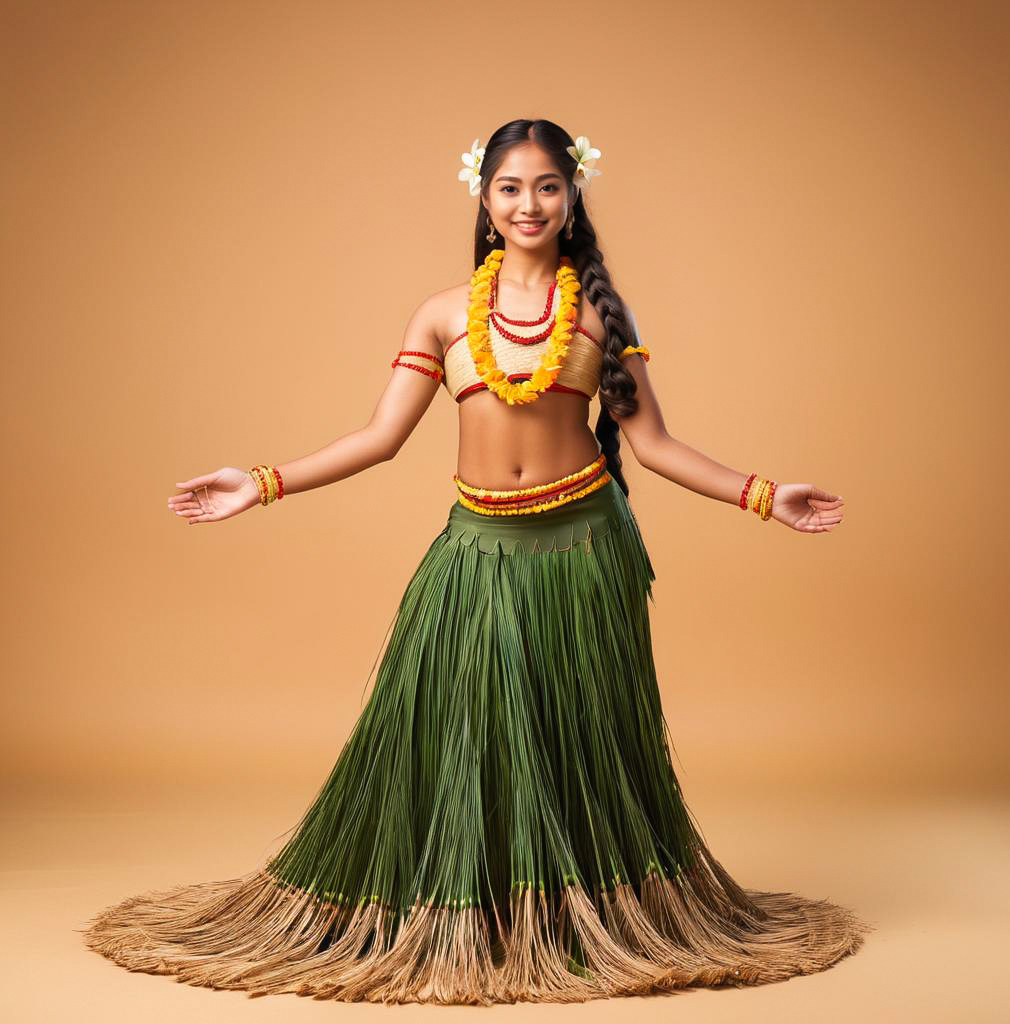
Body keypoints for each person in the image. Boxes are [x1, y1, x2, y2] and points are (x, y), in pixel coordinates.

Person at [81, 118, 871, 1005]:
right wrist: (259, 483)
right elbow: (378, 439)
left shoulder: (604, 311)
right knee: (459, 740)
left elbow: (654, 446)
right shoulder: (443, 312)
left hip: (583, 554)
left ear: (572, 198)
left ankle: (572, 919)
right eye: (509, 187)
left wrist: (765, 496)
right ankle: (470, 914)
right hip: (475, 551)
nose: (527, 203)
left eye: (545, 186)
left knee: (574, 744)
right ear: (484, 200)